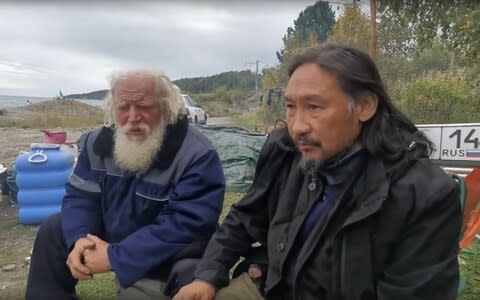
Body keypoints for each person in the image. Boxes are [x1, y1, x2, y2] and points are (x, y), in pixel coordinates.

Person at [173, 43, 462, 300]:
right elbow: (246, 216)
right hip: (268, 286)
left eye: (314, 107)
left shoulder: (425, 195)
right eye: (290, 107)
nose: (298, 126)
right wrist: (207, 275)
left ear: (364, 106)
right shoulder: (284, 150)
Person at [25, 69, 226, 300]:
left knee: (189, 272)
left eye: (144, 107)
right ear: (113, 108)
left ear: (166, 107)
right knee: (55, 228)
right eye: (123, 107)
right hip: (115, 233)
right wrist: (80, 237)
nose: (132, 117)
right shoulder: (95, 143)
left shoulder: (196, 155)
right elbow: (81, 196)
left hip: (171, 250)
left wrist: (115, 256)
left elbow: (186, 225)